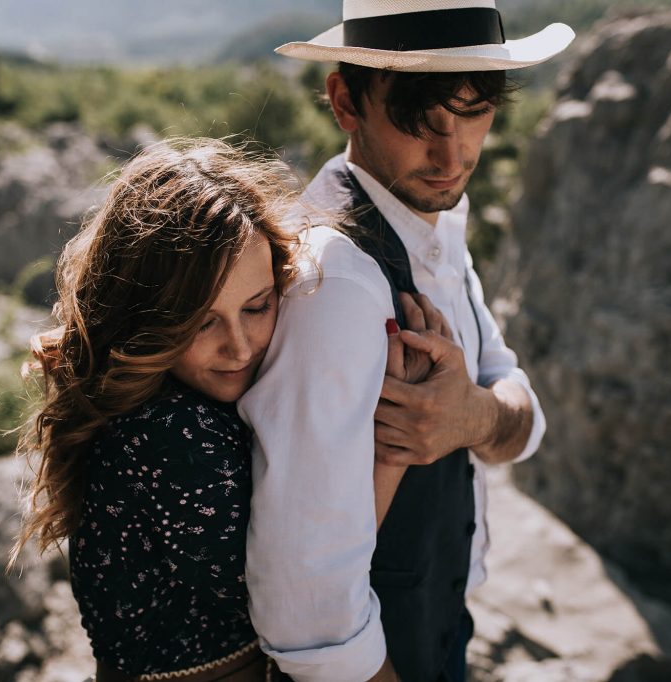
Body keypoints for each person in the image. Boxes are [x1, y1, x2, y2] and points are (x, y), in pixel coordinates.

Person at [8, 138, 447, 680]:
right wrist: (393, 453)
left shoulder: (173, 404)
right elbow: (303, 577)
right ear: (144, 317)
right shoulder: (168, 433)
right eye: (201, 323)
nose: (238, 347)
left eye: (257, 307)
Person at [240, 2, 575, 680]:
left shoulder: (434, 214)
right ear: (345, 102)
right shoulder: (336, 281)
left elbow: (519, 410)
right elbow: (304, 597)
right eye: (419, 119)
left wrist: (473, 417)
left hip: (441, 627)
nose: (452, 156)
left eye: (475, 111)